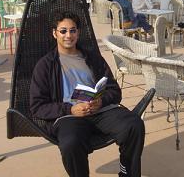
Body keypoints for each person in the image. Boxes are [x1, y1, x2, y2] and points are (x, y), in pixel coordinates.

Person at [30, 11, 145, 177]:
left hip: (101, 111)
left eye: (73, 30)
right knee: (71, 143)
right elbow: (37, 106)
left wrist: (101, 101)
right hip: (70, 117)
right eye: (63, 31)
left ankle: (128, 173)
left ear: (78, 32)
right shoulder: (46, 65)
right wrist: (70, 109)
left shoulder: (93, 58)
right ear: (54, 33)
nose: (68, 35)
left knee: (134, 125)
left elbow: (114, 91)